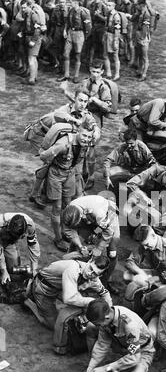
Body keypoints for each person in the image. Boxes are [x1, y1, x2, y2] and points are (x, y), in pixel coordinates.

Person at [23, 257, 111, 354]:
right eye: (90, 268)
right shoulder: (73, 268)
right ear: (89, 261)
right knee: (52, 324)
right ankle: (29, 301)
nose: (90, 273)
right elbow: (68, 299)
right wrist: (91, 301)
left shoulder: (94, 279)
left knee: (84, 300)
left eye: (95, 273)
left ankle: (80, 323)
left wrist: (109, 311)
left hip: (61, 288)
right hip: (44, 288)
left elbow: (105, 293)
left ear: (100, 275)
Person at [40, 119, 96, 252]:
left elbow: (80, 161)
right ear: (78, 132)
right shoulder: (64, 144)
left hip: (70, 174)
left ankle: (65, 231)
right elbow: (43, 156)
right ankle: (58, 238)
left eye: (89, 136)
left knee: (68, 205)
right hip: (56, 174)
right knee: (57, 207)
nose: (86, 139)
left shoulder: (86, 144)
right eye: (84, 135)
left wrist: (78, 177)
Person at [80, 300, 155, 372]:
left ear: (107, 317)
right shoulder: (108, 315)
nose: (98, 327)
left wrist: (106, 368)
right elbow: (102, 344)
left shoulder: (130, 325)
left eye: (98, 324)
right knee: (90, 327)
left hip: (142, 351)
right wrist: (91, 367)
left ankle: (143, 369)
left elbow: (134, 356)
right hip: (123, 345)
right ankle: (123, 361)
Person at [62, 194, 120, 292]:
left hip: (109, 216)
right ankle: (70, 274)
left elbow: (108, 231)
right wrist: (80, 246)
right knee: (81, 241)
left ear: (80, 216)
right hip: (91, 219)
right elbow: (69, 230)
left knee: (112, 253)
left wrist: (99, 248)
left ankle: (104, 282)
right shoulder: (68, 211)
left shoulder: (99, 214)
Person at [57, 0, 92, 83]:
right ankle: (66, 74)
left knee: (77, 55)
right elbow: (67, 22)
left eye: (71, 2)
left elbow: (88, 26)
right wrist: (65, 30)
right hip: (70, 33)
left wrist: (85, 36)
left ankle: (76, 76)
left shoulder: (84, 12)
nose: (69, 3)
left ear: (76, 2)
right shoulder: (71, 10)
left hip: (79, 33)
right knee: (66, 53)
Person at [0, 213, 40, 285]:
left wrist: (34, 267)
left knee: (13, 267)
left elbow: (33, 245)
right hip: (2, 233)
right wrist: (4, 271)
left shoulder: (30, 225)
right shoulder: (1, 223)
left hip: (10, 242)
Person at [20, 0, 46, 85]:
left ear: (29, 6)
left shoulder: (33, 14)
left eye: (24, 7)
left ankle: (31, 79)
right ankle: (34, 77)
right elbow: (26, 26)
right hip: (28, 37)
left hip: (34, 38)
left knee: (31, 59)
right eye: (22, 8)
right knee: (33, 58)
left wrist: (33, 40)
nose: (23, 9)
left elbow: (38, 29)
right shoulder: (26, 14)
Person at [131, 0, 151, 82]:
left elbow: (145, 29)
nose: (136, 6)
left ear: (141, 5)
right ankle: (139, 71)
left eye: (137, 5)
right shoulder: (140, 13)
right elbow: (132, 19)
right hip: (138, 35)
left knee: (144, 57)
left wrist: (142, 39)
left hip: (143, 37)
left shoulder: (146, 14)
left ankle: (144, 74)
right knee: (139, 54)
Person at [48, 0, 69, 75]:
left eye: (63, 2)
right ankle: (60, 67)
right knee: (57, 48)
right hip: (57, 28)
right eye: (60, 2)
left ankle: (65, 68)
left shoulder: (68, 9)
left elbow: (68, 21)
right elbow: (52, 20)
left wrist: (65, 30)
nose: (62, 4)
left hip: (65, 29)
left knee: (65, 49)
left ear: (65, 2)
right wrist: (52, 33)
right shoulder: (55, 10)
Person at [102, 0, 121, 81]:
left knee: (115, 56)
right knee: (105, 55)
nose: (107, 7)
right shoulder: (108, 14)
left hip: (113, 36)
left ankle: (117, 74)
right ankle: (108, 73)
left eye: (109, 5)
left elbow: (117, 30)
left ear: (113, 6)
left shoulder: (116, 16)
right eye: (107, 5)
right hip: (107, 35)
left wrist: (115, 42)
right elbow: (106, 26)